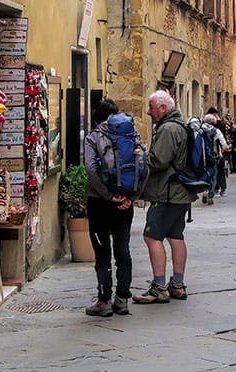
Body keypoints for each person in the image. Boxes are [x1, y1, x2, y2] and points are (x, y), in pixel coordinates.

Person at [82, 99, 140, 317]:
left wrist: (107, 195)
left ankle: (104, 300)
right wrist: (130, 197)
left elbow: (90, 168)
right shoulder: (132, 134)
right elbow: (143, 167)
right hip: (124, 204)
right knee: (123, 248)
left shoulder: (93, 137)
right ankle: (123, 298)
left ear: (98, 116)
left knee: (102, 251)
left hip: (99, 202)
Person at [134, 90, 193, 303]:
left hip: (167, 192)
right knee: (176, 236)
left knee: (152, 236)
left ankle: (159, 287)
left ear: (163, 108)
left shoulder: (168, 129)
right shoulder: (180, 126)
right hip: (180, 192)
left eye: (151, 107)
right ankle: (177, 284)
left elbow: (159, 161)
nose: (148, 112)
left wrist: (141, 157)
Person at [203, 114, 230, 202]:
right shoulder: (216, 131)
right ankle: (210, 195)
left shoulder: (200, 129)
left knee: (204, 174)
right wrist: (225, 148)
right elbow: (224, 144)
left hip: (202, 157)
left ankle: (204, 190)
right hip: (214, 156)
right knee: (214, 175)